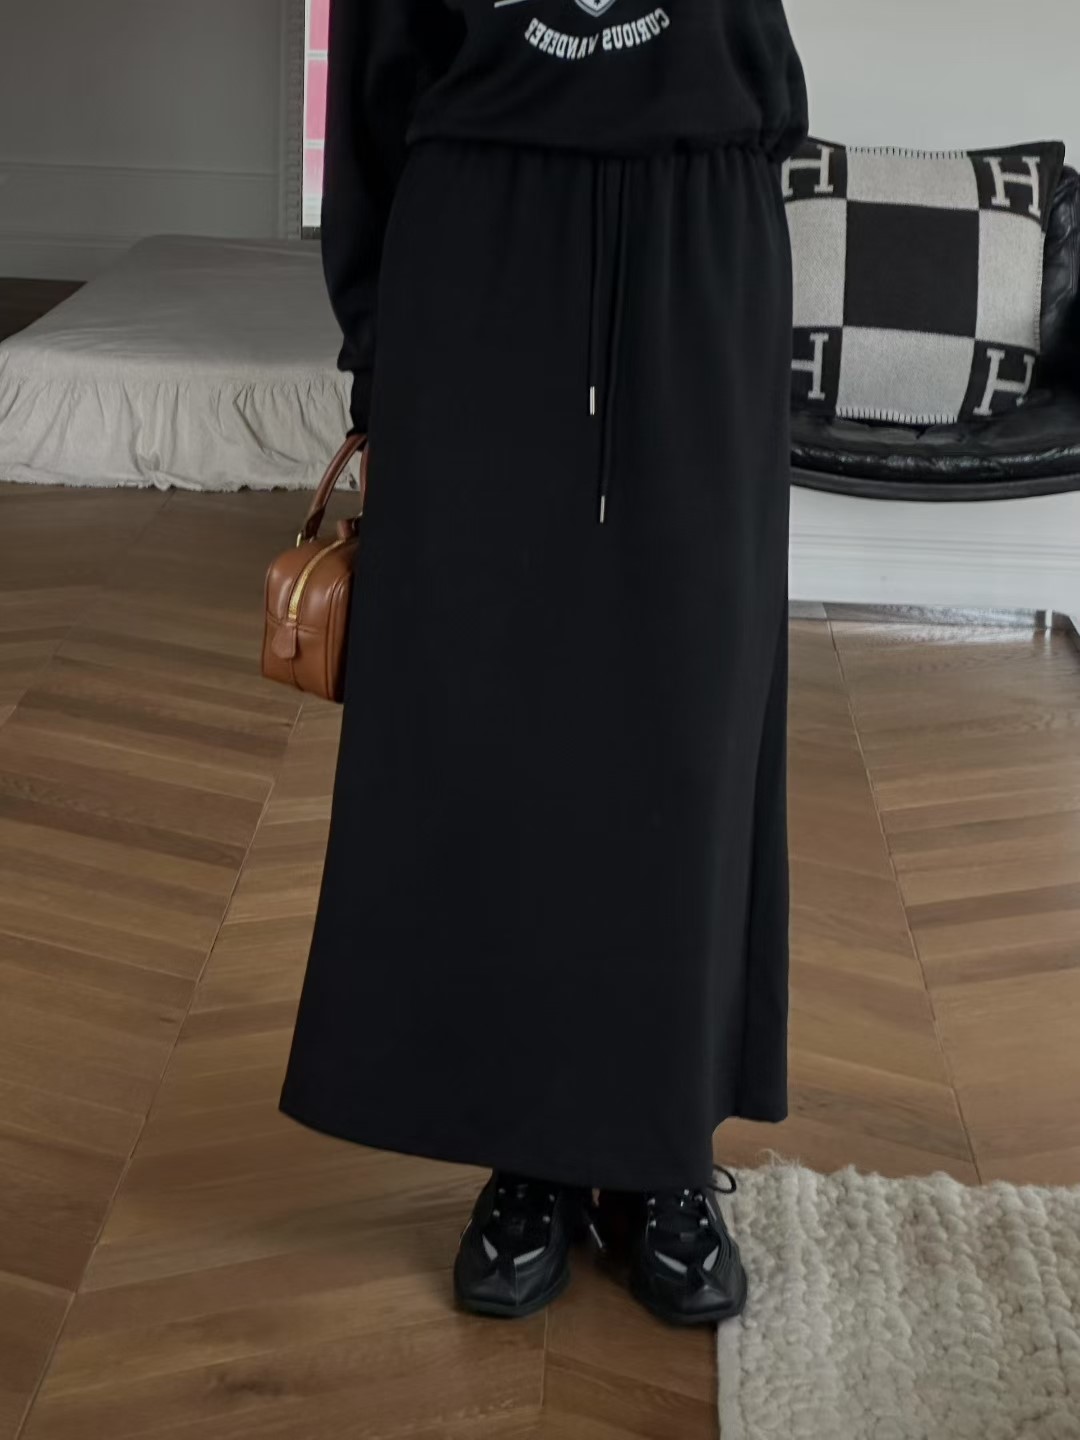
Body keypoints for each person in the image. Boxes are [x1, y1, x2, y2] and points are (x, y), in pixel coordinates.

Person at [279, 0, 808, 1327]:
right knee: (490, 719)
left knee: (690, 723)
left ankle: (662, 1148)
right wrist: (381, 355)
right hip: (478, 243)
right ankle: (526, 1151)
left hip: (700, 231)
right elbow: (374, 95)